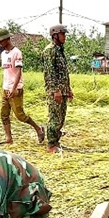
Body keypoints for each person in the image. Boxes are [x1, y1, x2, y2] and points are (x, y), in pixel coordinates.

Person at [0, 29, 45, 145]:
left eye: (1, 40)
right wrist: (6, 88)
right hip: (5, 88)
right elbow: (7, 72)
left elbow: (18, 72)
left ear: (7, 39)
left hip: (15, 89)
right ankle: (9, 138)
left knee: (20, 115)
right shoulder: (3, 54)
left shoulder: (17, 53)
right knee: (3, 114)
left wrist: (14, 88)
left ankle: (38, 129)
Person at [42, 24, 73, 153]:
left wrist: (68, 89)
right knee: (54, 117)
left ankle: (56, 141)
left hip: (63, 90)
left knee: (61, 118)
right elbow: (50, 73)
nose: (64, 37)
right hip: (56, 91)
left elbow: (64, 72)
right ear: (55, 35)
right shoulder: (50, 50)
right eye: (63, 34)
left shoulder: (60, 50)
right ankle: (51, 144)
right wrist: (56, 91)